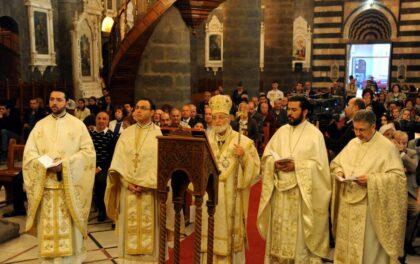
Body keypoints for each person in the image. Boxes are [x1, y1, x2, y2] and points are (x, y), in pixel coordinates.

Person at [23, 88, 96, 262]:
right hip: (46, 186)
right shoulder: (40, 125)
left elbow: (88, 154)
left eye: (59, 100)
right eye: (51, 99)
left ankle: (71, 260)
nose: (54, 103)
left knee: (69, 227)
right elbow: (29, 155)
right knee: (49, 227)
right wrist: (43, 164)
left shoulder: (78, 125)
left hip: (68, 187)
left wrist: (64, 165)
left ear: (66, 102)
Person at [257, 95, 331, 263]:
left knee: (297, 241)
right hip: (279, 194)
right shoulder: (282, 131)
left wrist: (297, 166)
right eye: (288, 109)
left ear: (305, 112)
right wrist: (273, 164)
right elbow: (267, 156)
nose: (289, 113)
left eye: (294, 110)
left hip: (299, 197)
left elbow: (321, 169)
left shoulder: (315, 135)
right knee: (278, 236)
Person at [330, 110, 407, 263]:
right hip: (348, 206)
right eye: (355, 129)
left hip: (370, 208)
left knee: (367, 252)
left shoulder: (386, 147)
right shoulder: (353, 143)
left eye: (362, 130)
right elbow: (336, 163)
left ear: (373, 127)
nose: (358, 133)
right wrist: (339, 171)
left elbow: (398, 178)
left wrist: (372, 180)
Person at [202, 94, 260, 263]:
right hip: (209, 197)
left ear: (229, 118)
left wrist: (244, 158)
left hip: (231, 198)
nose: (218, 121)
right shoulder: (203, 141)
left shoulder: (244, 142)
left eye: (221, 117)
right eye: (214, 118)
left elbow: (255, 171)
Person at [104, 98, 163, 263]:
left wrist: (146, 184)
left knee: (149, 232)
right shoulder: (126, 134)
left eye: (143, 108)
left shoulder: (158, 134)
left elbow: (160, 164)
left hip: (149, 191)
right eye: (136, 107)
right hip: (127, 189)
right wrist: (126, 183)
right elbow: (118, 163)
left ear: (152, 112)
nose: (138, 110)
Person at [90, 111, 115, 222]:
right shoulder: (89, 135)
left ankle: (102, 210)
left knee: (100, 181)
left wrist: (98, 168)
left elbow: (111, 156)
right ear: (95, 120)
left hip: (104, 166)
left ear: (108, 121)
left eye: (104, 119)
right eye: (99, 118)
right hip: (88, 166)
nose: (101, 121)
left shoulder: (112, 136)